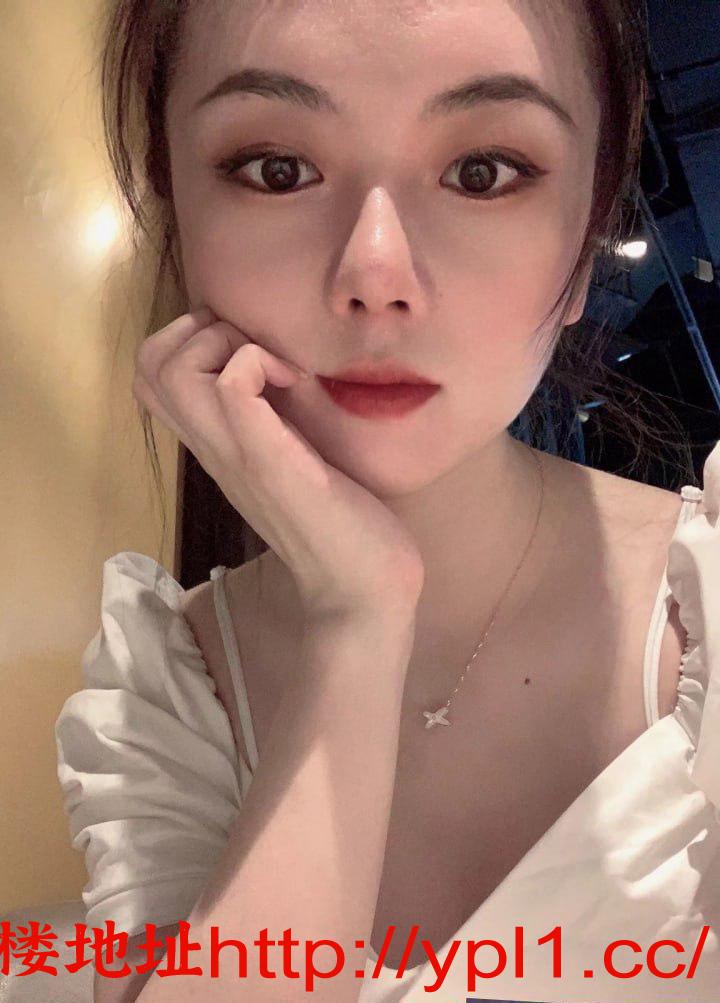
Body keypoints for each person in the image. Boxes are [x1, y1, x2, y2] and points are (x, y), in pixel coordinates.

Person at [54, 0, 720, 1000]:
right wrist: (358, 616)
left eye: (482, 171)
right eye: (277, 168)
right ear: (179, 219)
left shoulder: (706, 606)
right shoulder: (167, 689)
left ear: (587, 239)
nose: (375, 274)